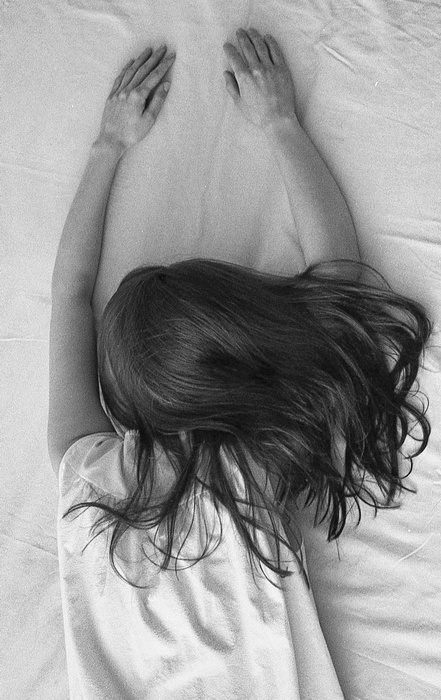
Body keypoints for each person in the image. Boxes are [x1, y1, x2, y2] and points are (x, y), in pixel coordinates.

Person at [51, 28, 433, 699]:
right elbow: (341, 283)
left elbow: (70, 291)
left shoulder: (90, 481)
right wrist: (281, 124)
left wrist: (107, 146)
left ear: (120, 389)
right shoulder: (248, 464)